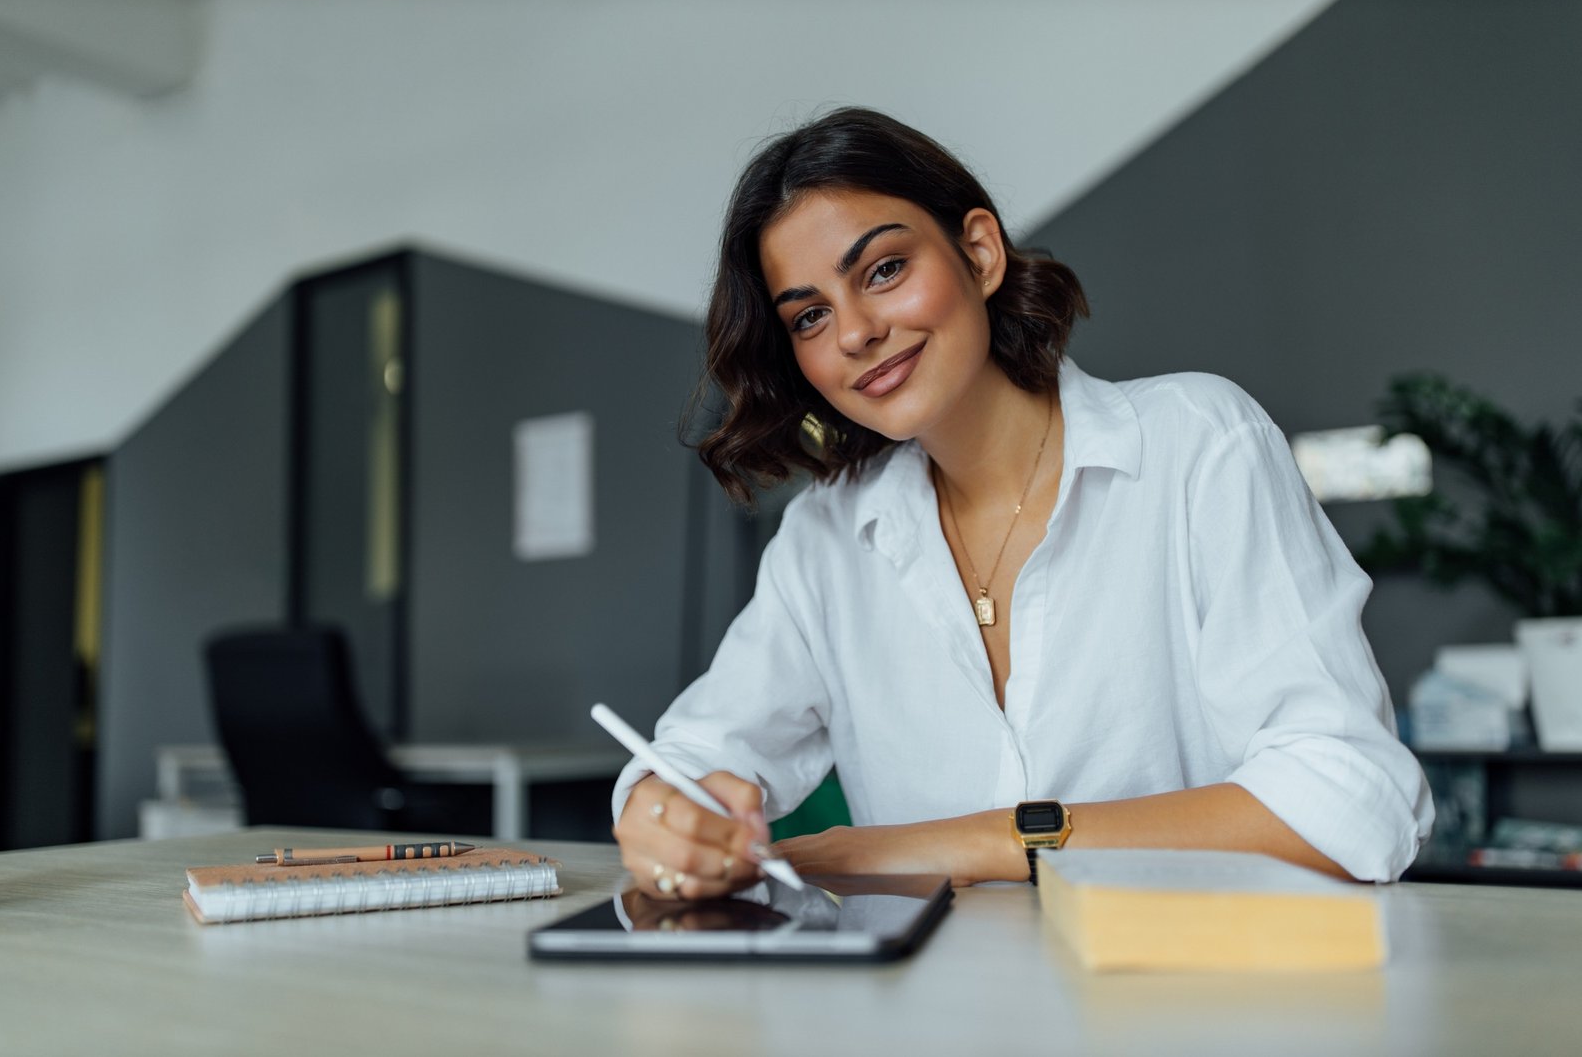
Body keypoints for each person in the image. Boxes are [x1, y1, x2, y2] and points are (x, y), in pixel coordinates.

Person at [611, 107, 1433, 901]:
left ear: (979, 251)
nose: (855, 332)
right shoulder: (826, 538)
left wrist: (973, 842)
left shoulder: (1196, 444)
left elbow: (1350, 800)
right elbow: (696, 755)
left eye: (884, 270)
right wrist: (667, 811)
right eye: (811, 316)